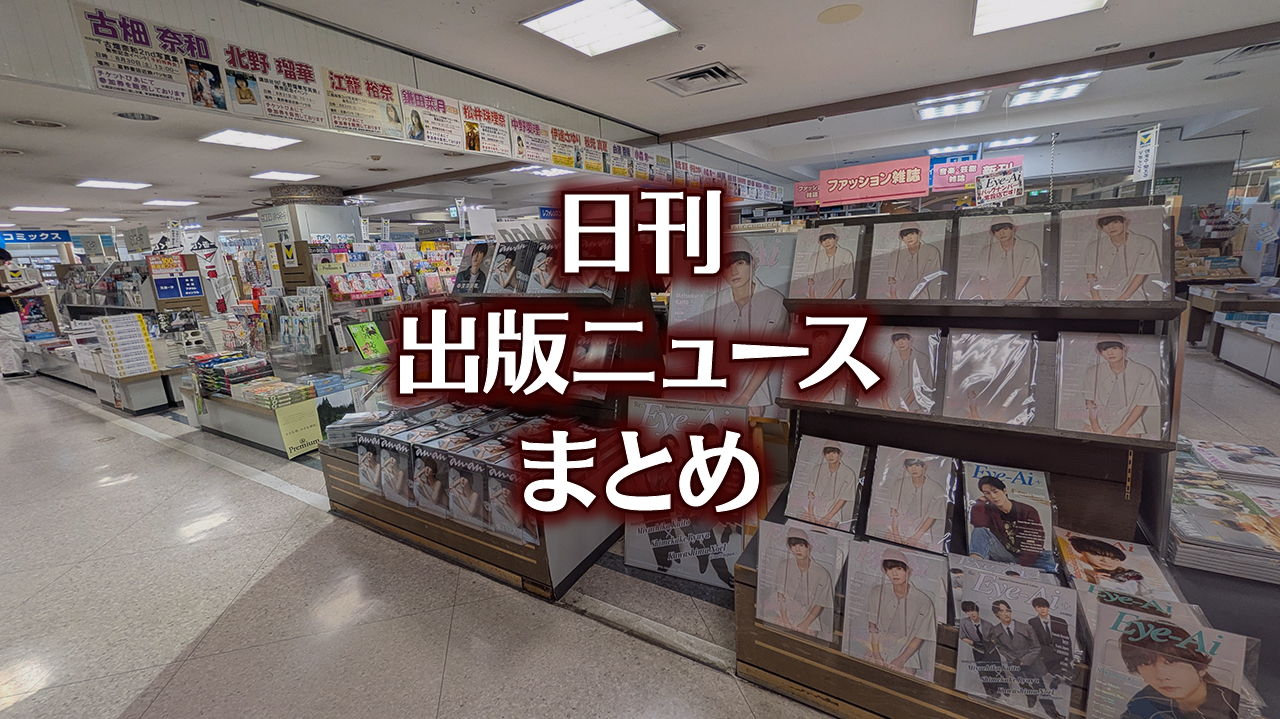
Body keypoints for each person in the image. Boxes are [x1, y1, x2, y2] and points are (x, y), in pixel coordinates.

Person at [697, 250, 787, 414]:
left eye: (740, 263)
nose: (734, 272)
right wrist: (710, 397)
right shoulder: (712, 304)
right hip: (712, 394)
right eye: (727, 266)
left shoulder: (774, 301)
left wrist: (745, 397)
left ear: (753, 263)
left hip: (753, 397)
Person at [1118, 620, 1241, 719]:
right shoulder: (1143, 700)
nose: (1161, 676)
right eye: (1145, 663)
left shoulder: (1234, 705)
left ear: (1201, 668)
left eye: (1171, 662)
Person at [865, 547, 936, 677]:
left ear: (908, 570)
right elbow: (872, 626)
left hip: (907, 656)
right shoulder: (876, 592)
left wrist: (901, 660)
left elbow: (919, 636)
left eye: (899, 568)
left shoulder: (924, 602)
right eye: (889, 569)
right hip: (877, 650)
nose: (894, 573)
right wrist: (876, 655)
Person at [989, 599, 1065, 719]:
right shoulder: (995, 630)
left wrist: (1024, 660)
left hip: (1031, 663)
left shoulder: (1026, 628)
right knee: (1022, 682)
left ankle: (1052, 713)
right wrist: (1012, 659)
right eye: (1002, 611)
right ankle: (1030, 696)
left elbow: (1036, 647)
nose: (1006, 613)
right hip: (1013, 663)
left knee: (1040, 687)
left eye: (1007, 610)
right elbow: (1000, 647)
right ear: (996, 614)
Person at [1082, 334, 1162, 438]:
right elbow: (1089, 402)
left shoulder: (1144, 373)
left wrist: (1123, 429)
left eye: (1114, 348)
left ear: (1124, 348)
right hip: (1095, 424)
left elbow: (1141, 405)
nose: (1110, 353)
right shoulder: (1092, 372)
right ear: (1100, 353)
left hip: (1129, 426)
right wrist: (1095, 427)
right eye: (1105, 349)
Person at [968, 475, 1053, 570]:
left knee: (1052, 559)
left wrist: (1020, 568)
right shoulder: (990, 511)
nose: (993, 496)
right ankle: (975, 566)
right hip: (1005, 555)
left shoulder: (1028, 511)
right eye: (987, 493)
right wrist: (980, 501)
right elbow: (978, 524)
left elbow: (1035, 542)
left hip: (1028, 558)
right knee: (979, 531)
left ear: (1004, 490)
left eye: (995, 491)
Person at [1084, 209, 1162, 300]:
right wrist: (1096, 297)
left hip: (1131, 298)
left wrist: (1123, 298)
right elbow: (1090, 274)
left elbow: (1141, 274)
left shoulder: (1145, 243)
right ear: (1101, 228)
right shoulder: (1093, 247)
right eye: (1106, 224)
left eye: (1115, 222)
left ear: (1125, 222)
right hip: (1098, 297)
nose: (1111, 227)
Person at [771, 526, 834, 638]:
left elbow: (820, 604)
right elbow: (780, 596)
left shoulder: (822, 574)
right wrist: (785, 620)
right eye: (793, 545)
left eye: (801, 545)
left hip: (809, 618)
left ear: (809, 547)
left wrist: (805, 624)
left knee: (806, 640)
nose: (797, 550)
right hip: (785, 613)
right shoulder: (783, 566)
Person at [960, 215, 1042, 300]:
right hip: (991, 298)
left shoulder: (1029, 248)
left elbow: (1025, 275)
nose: (1001, 233)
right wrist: (987, 299)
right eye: (997, 230)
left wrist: (1010, 298)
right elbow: (983, 278)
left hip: (1017, 299)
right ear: (992, 233)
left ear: (1013, 228)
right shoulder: (986, 251)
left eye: (1005, 229)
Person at [885, 456, 948, 550]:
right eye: (910, 466)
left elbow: (932, 516)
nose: (914, 469)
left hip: (920, 534)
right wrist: (895, 534)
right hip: (896, 529)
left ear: (924, 466)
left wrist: (916, 537)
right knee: (887, 552)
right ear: (906, 468)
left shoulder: (937, 489)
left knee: (912, 556)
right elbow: (893, 509)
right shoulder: (898, 484)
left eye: (917, 465)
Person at [1067, 535, 1153, 597]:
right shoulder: (1079, 567)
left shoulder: (1133, 577)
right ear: (1082, 552)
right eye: (1096, 554)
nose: (1106, 561)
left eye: (1114, 558)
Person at [875, 330, 933, 413]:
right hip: (888, 400)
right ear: (893, 343)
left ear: (911, 339)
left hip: (911, 402)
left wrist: (905, 405)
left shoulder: (922, 358)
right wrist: (885, 403)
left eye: (904, 339)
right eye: (897, 340)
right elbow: (883, 382)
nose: (900, 343)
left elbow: (920, 385)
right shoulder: (889, 357)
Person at [0, 249, 36, 379]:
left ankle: (12, 368)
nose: (4, 264)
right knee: (11, 339)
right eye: (3, 261)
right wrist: (12, 293)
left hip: (5, 311)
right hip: (4, 312)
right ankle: (12, 370)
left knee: (10, 339)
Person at [802, 445, 858, 528]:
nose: (831, 456)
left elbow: (843, 499)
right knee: (802, 526)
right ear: (824, 455)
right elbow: (810, 493)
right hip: (812, 508)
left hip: (833, 512)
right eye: (828, 453)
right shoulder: (817, 469)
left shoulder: (849, 473)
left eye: (834, 453)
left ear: (840, 454)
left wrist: (827, 517)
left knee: (825, 530)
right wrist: (811, 514)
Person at [958, 599, 1005, 698]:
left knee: (997, 668)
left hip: (990, 649)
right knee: (983, 671)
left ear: (977, 610)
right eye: (968, 612)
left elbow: (994, 638)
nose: (971, 613)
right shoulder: (964, 623)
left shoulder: (988, 624)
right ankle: (990, 692)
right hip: (977, 650)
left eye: (973, 610)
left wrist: (990, 645)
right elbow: (962, 637)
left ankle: (1003, 687)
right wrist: (974, 643)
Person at [885, 222, 942, 300]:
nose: (909, 238)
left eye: (912, 234)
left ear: (919, 234)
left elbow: (935, 278)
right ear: (901, 238)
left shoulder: (931, 251)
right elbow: (891, 279)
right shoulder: (895, 254)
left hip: (922, 298)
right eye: (905, 235)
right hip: (899, 296)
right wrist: (893, 297)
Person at [1028, 597, 1072, 693]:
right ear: (1035, 608)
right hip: (1046, 652)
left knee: (1066, 668)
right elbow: (1034, 640)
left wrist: (1069, 654)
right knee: (1051, 668)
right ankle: (1056, 678)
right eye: (1039, 607)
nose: (1042, 609)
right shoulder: (1032, 622)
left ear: (1048, 607)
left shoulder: (1060, 621)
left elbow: (1066, 639)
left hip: (1060, 650)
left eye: (1044, 607)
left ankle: (1065, 677)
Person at [806, 229, 856, 299]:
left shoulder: (846, 254)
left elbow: (842, 278)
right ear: (820, 242)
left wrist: (829, 296)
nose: (827, 242)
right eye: (824, 240)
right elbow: (810, 279)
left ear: (836, 239)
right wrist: (812, 296)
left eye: (830, 238)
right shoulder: (815, 257)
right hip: (816, 295)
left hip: (835, 296)